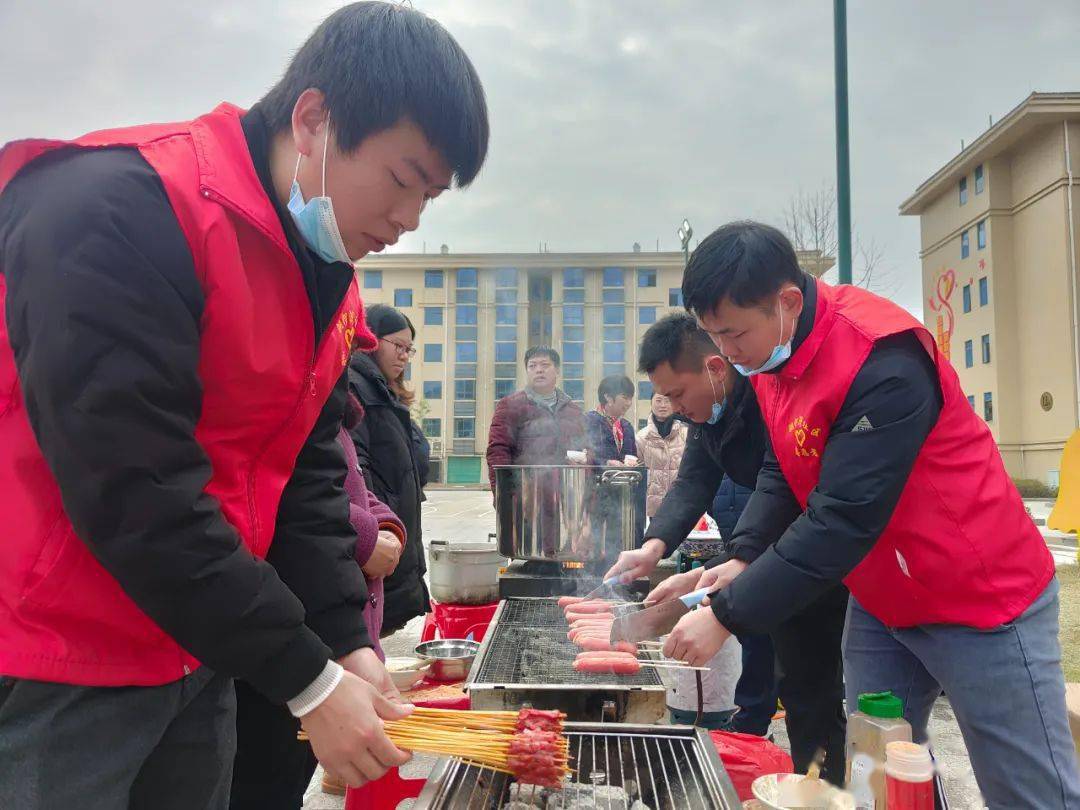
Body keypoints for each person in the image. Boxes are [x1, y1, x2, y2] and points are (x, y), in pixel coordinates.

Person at [0, 3, 489, 806]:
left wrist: (345, 643)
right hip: (58, 654)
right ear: (314, 120)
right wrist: (307, 678)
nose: (407, 220)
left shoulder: (324, 279)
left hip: (199, 645)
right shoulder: (121, 208)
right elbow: (132, 485)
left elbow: (304, 475)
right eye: (404, 180)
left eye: (430, 197)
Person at [664, 220, 1080, 807]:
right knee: (876, 777)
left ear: (787, 302)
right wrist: (742, 557)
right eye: (714, 336)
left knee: (1028, 791)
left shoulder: (881, 358)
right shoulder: (771, 363)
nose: (726, 353)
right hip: (884, 597)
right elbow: (785, 466)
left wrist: (727, 615)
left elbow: (842, 517)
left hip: (978, 594)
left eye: (733, 334)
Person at [605, 313, 847, 781]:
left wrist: (733, 564)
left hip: (811, 548)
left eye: (678, 394)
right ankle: (807, 777)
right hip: (767, 541)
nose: (675, 408)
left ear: (715, 369)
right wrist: (653, 548)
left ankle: (825, 786)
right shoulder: (708, 412)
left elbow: (780, 487)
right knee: (793, 681)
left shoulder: (769, 395)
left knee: (810, 689)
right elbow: (692, 480)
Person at [231, 394, 406, 808]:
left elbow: (338, 488)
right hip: (266, 641)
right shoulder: (284, 393)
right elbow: (289, 493)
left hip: (312, 639)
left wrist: (349, 645)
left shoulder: (333, 402)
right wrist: (313, 681)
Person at [349, 304, 430, 637]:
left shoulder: (387, 395)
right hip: (376, 544)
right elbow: (356, 475)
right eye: (398, 345)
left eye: (409, 349)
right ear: (370, 340)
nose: (404, 356)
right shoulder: (355, 390)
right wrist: (376, 532)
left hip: (393, 545)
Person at [485, 346, 586, 491]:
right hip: (526, 495)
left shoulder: (573, 411)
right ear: (527, 371)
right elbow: (498, 452)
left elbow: (588, 448)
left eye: (545, 365)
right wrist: (505, 497)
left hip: (566, 495)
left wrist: (585, 459)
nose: (538, 370)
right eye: (532, 366)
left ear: (557, 370)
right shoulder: (510, 406)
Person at [635, 392, 688, 518]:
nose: (663, 405)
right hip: (654, 504)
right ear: (651, 403)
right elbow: (639, 472)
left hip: (680, 501)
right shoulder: (642, 437)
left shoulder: (685, 434)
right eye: (658, 401)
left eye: (667, 401)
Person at [584, 374, 638, 466]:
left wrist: (634, 464)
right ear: (608, 397)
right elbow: (581, 456)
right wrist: (606, 463)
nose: (629, 403)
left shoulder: (627, 427)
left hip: (624, 475)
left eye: (630, 399)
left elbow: (633, 456)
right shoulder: (588, 421)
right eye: (625, 398)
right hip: (598, 475)